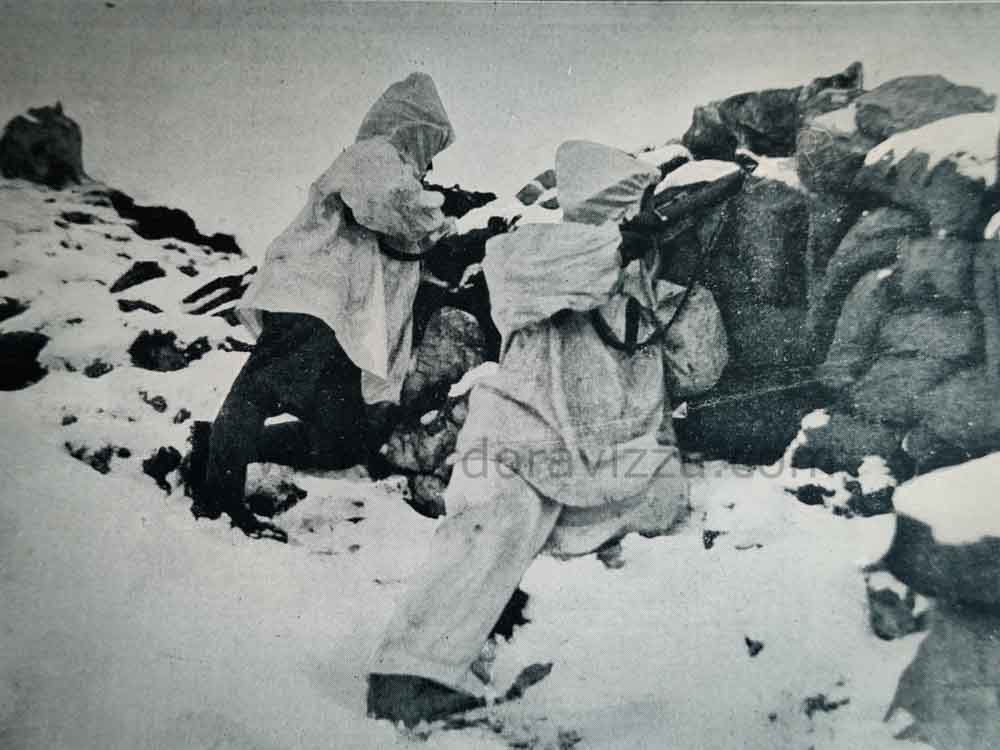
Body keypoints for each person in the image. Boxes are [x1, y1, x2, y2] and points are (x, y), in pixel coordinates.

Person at [366, 140, 728, 725]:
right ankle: (406, 677)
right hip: (521, 438)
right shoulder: (529, 253)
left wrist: (682, 293)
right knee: (494, 523)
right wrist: (618, 247)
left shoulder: (648, 285)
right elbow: (531, 272)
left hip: (612, 457)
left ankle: (514, 617)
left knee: (662, 509)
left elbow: (697, 373)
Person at [190, 73, 457, 540]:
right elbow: (389, 208)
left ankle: (214, 446)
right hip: (311, 297)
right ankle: (219, 500)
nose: (430, 160)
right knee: (258, 393)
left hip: (341, 316)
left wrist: (435, 213)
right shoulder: (375, 156)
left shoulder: (388, 166)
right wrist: (442, 210)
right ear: (413, 129)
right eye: (429, 144)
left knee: (343, 438)